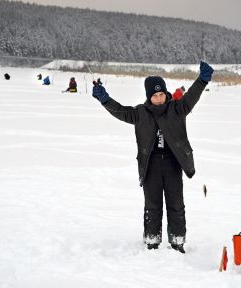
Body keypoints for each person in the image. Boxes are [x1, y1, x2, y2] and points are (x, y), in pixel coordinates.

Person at [92, 61, 214, 253]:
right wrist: (105, 100)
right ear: (149, 97)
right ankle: (152, 240)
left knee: (176, 204)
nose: (159, 99)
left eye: (161, 94)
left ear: (166, 94)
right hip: (151, 165)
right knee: (153, 205)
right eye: (155, 95)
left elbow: (192, 96)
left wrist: (202, 79)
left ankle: (177, 241)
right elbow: (122, 112)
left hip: (174, 163)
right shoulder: (141, 113)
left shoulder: (177, 109)